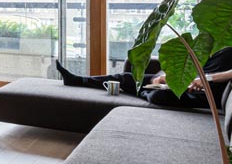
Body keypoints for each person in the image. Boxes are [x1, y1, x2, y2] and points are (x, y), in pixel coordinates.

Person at [56, 47, 232, 108]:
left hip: (206, 93)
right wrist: (163, 76)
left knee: (159, 95)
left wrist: (207, 79)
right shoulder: (216, 46)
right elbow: (186, 65)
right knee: (127, 77)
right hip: (190, 82)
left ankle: (142, 92)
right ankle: (78, 80)